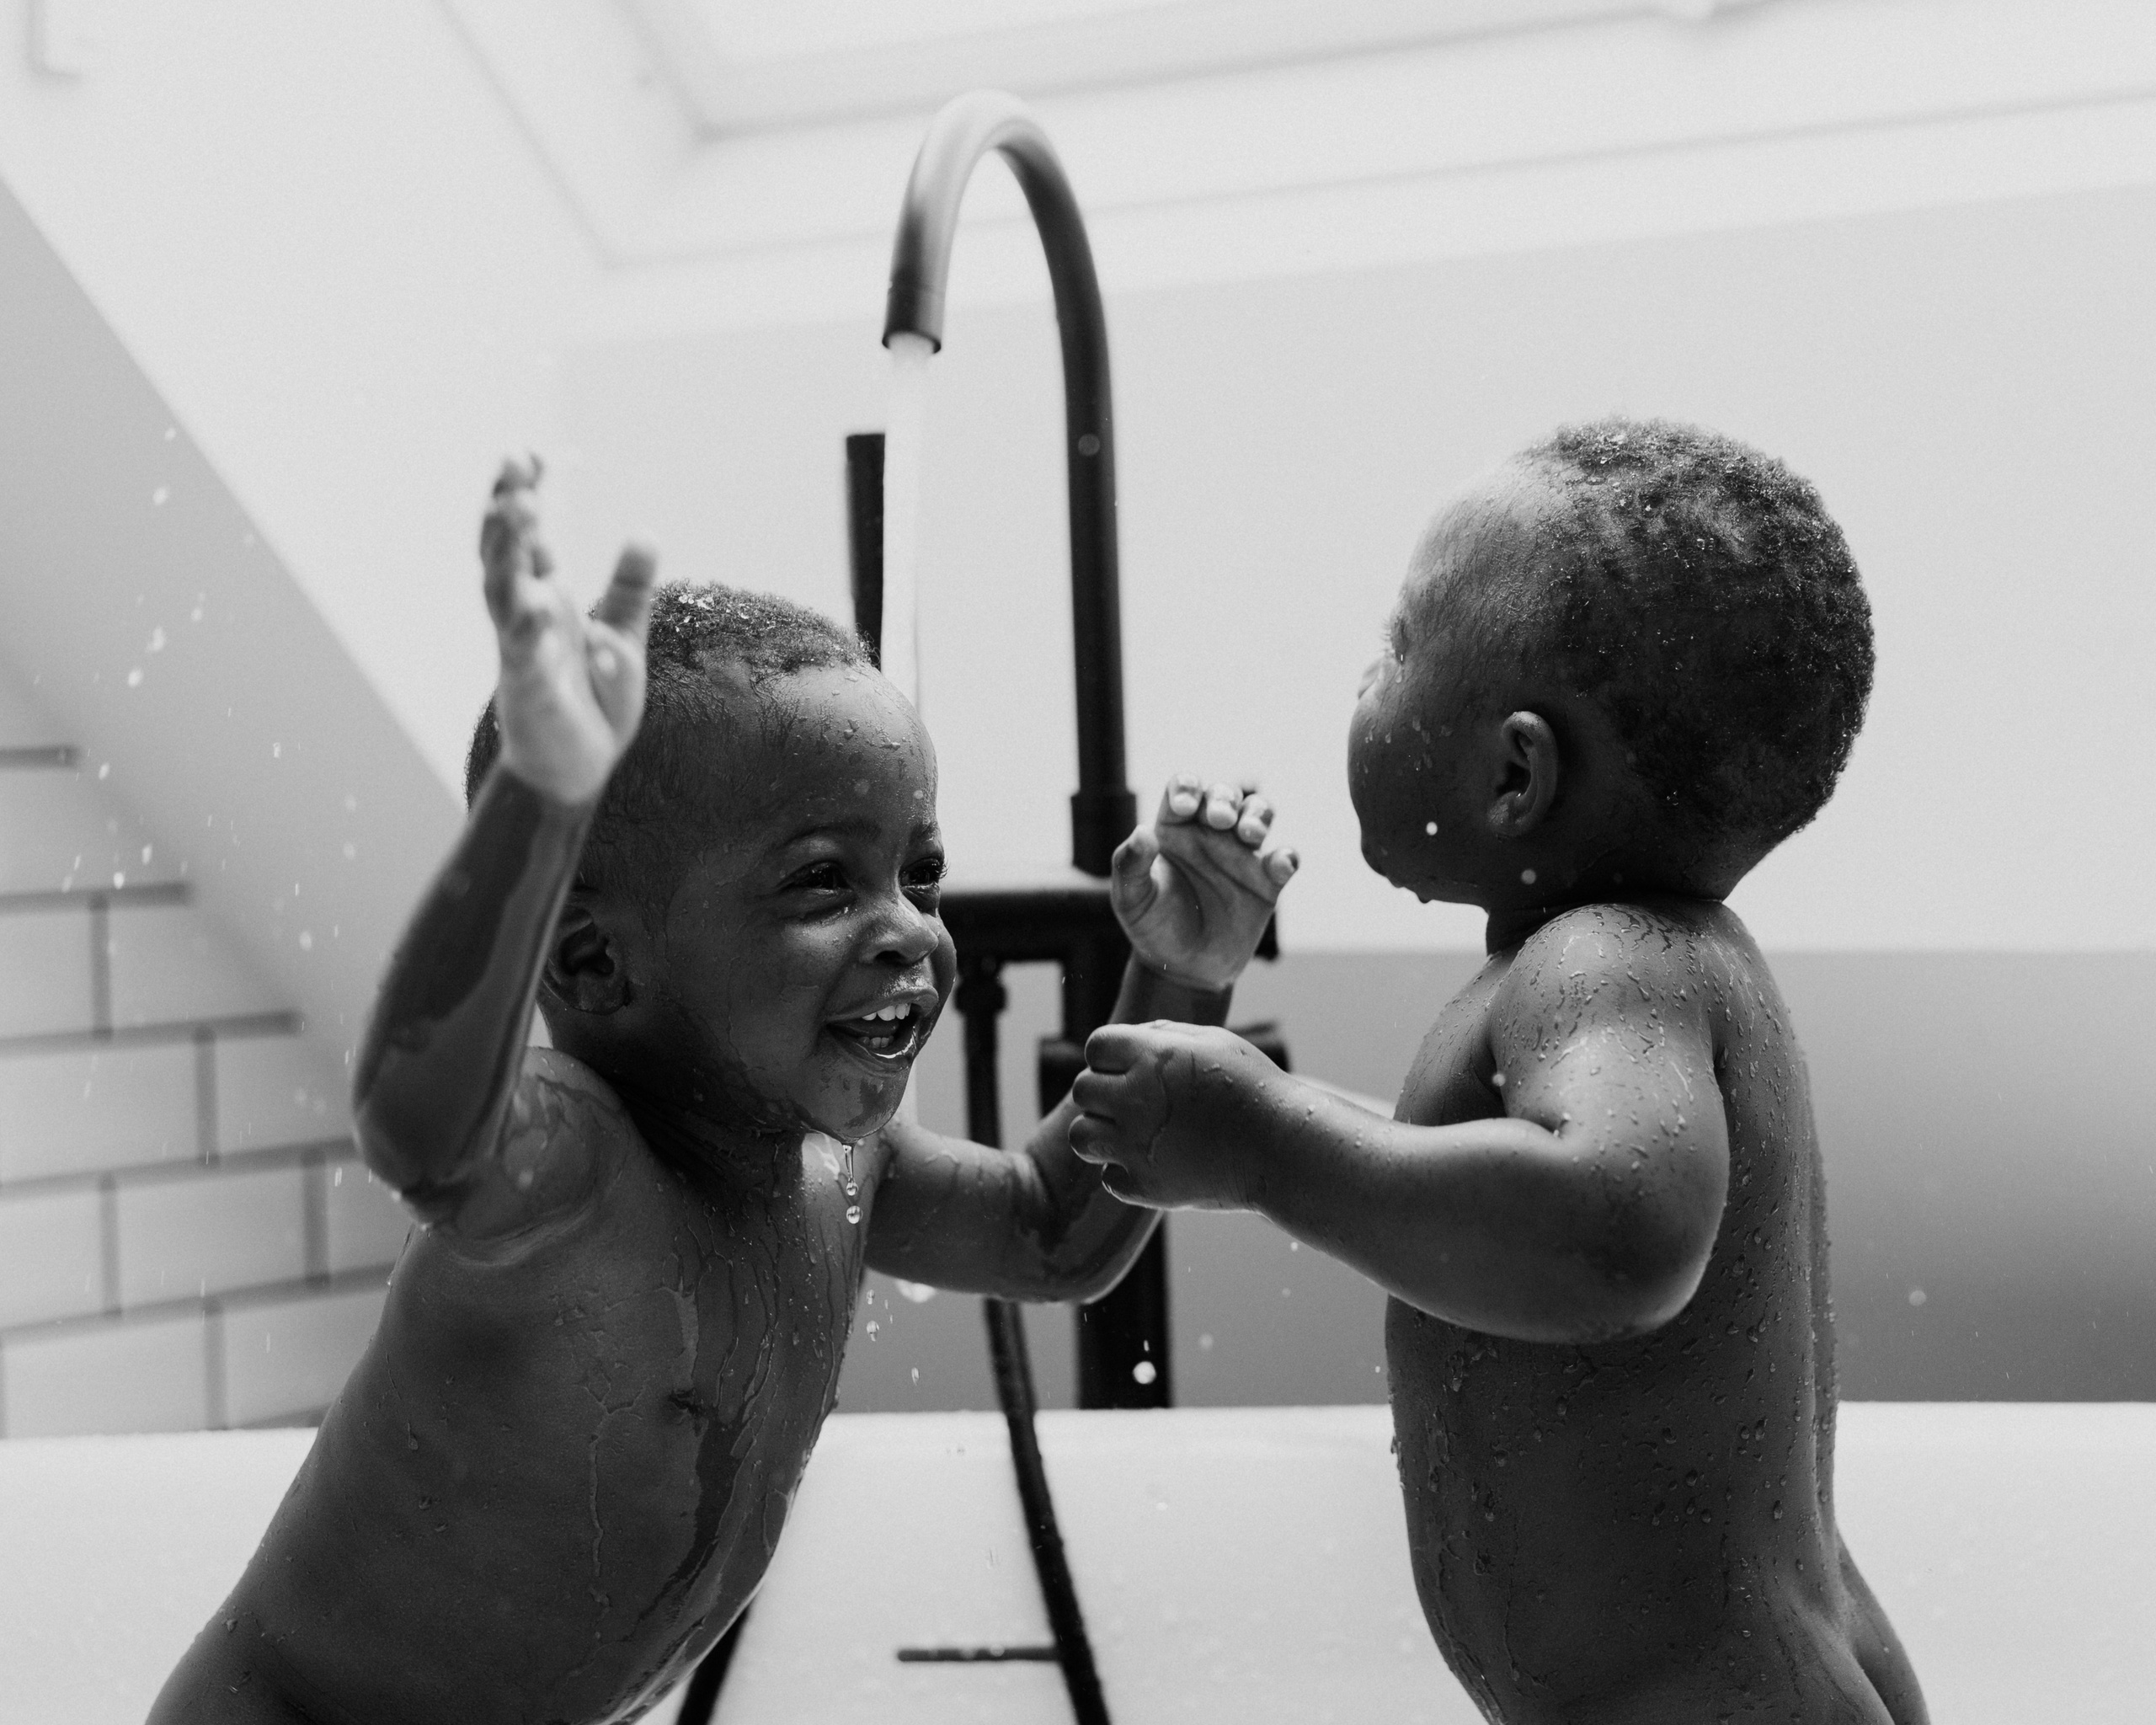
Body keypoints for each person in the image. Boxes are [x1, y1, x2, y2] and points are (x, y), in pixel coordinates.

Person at [150, 457, 1295, 1723]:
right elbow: (420, 1124)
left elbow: (1048, 1232)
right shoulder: (572, 1174)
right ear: (595, 960)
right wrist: (533, 816)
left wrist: (1182, 975)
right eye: (823, 883)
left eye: (919, 875)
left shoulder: (839, 1166)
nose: (909, 931)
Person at [1070, 419, 1928, 1723]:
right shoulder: (1644, 965)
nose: (1365, 676)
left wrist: (1263, 1143)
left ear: (1515, 773)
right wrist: (1240, 1105)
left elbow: (1617, 1230)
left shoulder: (1604, 960)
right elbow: (1511, 1189)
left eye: (1399, 645)